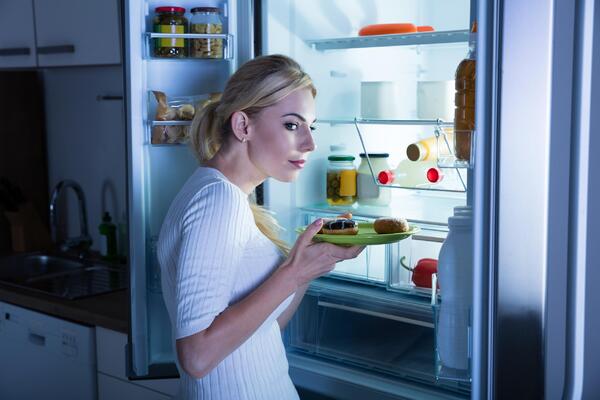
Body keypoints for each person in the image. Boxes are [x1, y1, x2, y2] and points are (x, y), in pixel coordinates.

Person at [157, 54, 364, 400]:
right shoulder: (218, 201)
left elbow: (261, 329)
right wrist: (292, 274)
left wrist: (307, 264)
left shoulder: (224, 194)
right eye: (291, 125)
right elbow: (196, 356)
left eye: (310, 127)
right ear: (243, 127)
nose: (310, 144)